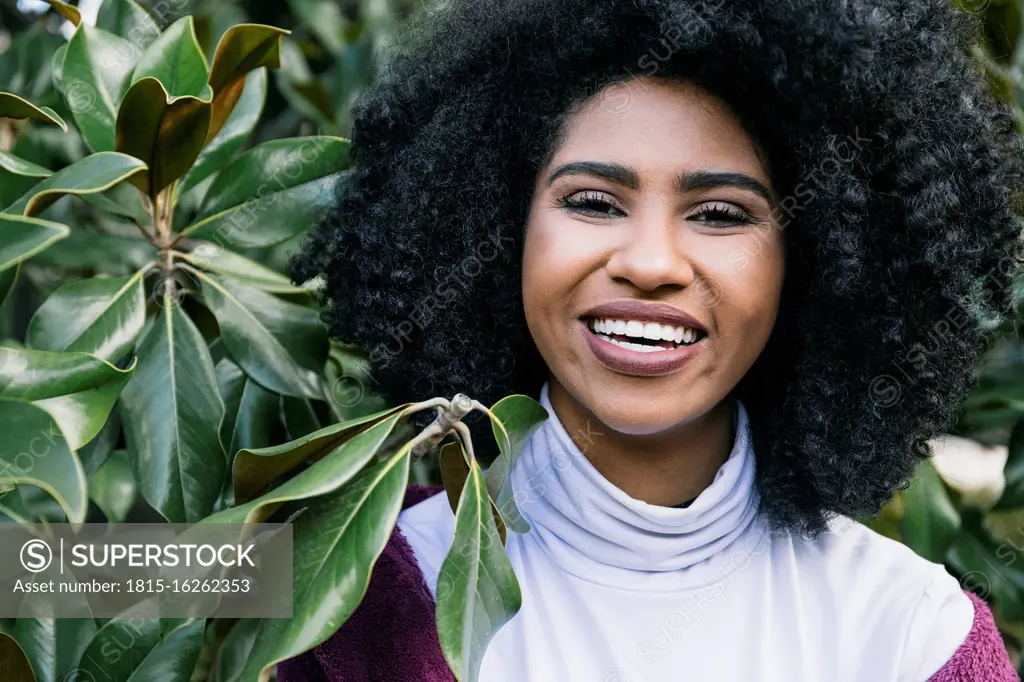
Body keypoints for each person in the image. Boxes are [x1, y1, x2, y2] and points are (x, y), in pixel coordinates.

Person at [280, 0, 1024, 679]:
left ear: (815, 263)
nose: (650, 264)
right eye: (595, 202)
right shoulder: (345, 574)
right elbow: (166, 592)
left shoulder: (909, 638)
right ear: (500, 227)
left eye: (722, 214)